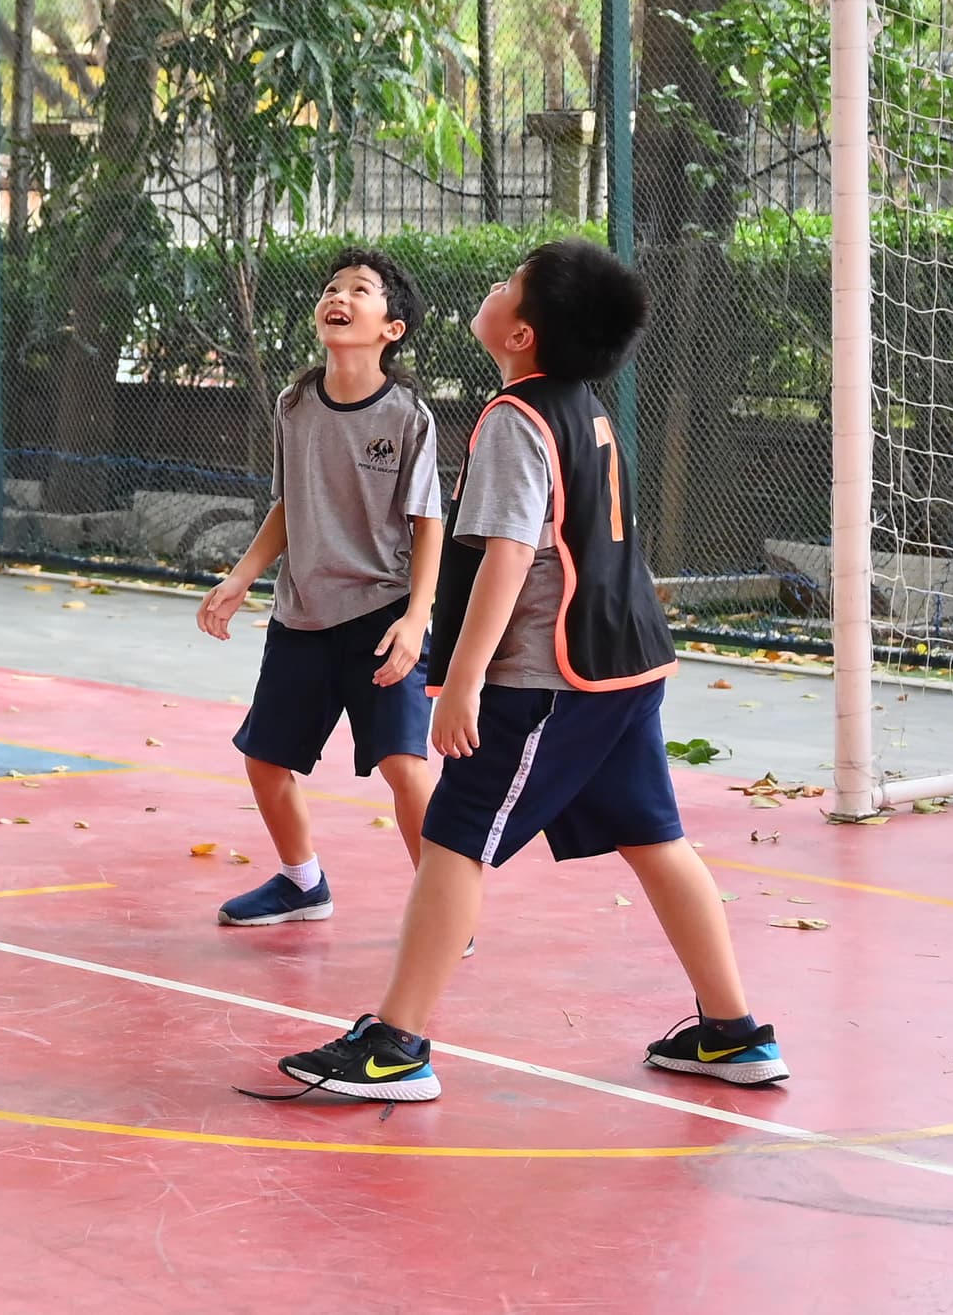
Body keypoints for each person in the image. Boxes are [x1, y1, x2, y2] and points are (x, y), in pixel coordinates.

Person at [267, 238, 786, 1102]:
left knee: (452, 838)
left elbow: (508, 556)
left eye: (510, 283)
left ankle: (396, 1046)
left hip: (549, 679)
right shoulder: (585, 408)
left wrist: (463, 680)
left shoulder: (514, 420)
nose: (494, 285)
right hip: (624, 667)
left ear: (521, 334)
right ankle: (733, 1031)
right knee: (656, 839)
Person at [193, 247, 444, 925]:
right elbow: (289, 503)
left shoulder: (409, 417)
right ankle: (302, 883)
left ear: (391, 328)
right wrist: (242, 575)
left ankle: (444, 908)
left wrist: (417, 617)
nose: (339, 296)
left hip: (384, 615)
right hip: (302, 615)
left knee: (403, 766)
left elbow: (429, 523)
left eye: (360, 289)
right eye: (332, 287)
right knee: (264, 761)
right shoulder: (294, 404)